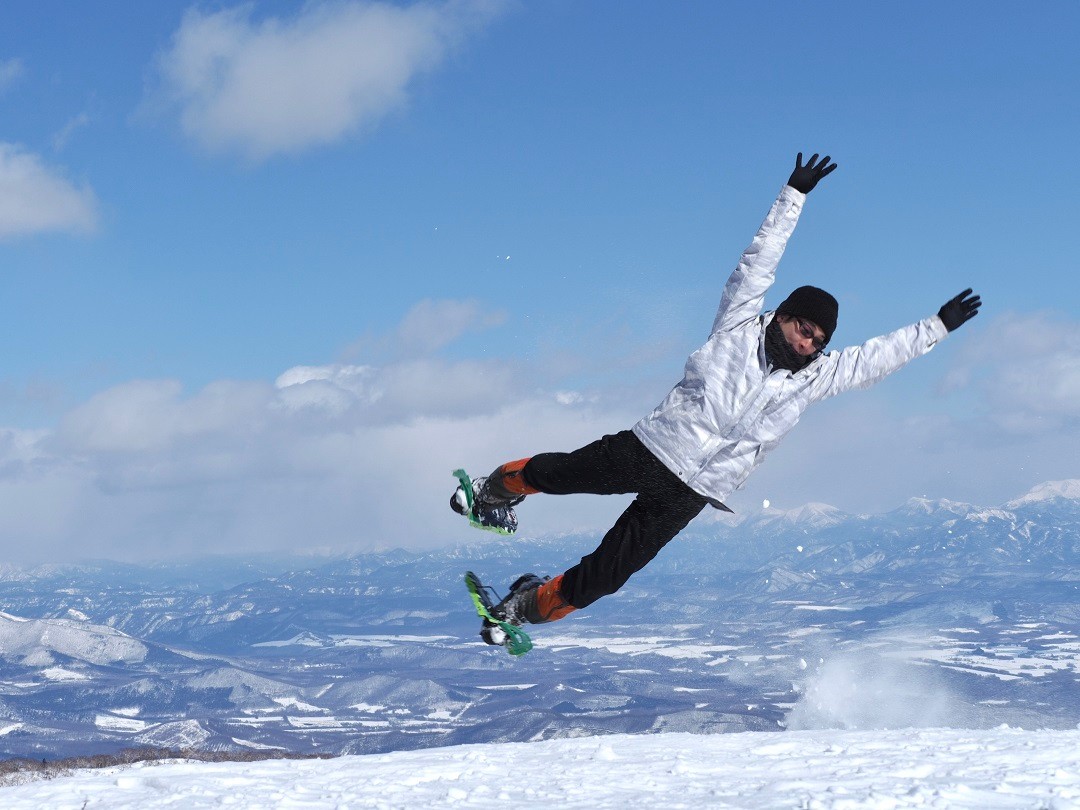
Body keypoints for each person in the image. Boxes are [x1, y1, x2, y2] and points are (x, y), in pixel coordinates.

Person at [451, 152, 981, 648]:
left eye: (820, 339)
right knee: (561, 474)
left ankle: (521, 608)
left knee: (608, 574)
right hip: (653, 447)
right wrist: (793, 196)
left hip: (692, 491)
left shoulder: (817, 376)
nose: (809, 343)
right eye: (804, 328)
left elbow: (875, 358)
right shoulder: (738, 325)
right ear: (783, 315)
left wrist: (936, 327)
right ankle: (493, 493)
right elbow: (758, 261)